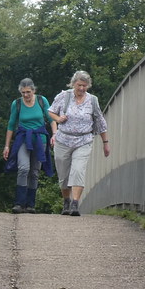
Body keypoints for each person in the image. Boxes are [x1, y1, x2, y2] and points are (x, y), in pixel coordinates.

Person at [49, 70, 110, 216]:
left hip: (84, 140)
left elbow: (101, 123)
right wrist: (58, 119)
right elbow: (51, 111)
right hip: (63, 140)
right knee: (63, 176)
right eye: (79, 85)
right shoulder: (64, 96)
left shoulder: (92, 100)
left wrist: (105, 142)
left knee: (78, 170)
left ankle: (75, 204)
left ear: (88, 86)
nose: (82, 89)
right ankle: (66, 201)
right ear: (73, 84)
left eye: (85, 86)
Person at [2, 78, 56, 213]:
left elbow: (51, 119)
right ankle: (19, 203)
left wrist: (55, 134)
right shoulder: (17, 103)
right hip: (23, 139)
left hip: (40, 140)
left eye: (28, 92)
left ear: (34, 91)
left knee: (35, 171)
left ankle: (30, 204)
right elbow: (11, 124)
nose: (25, 95)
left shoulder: (41, 101)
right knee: (24, 168)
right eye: (23, 92)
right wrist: (7, 146)